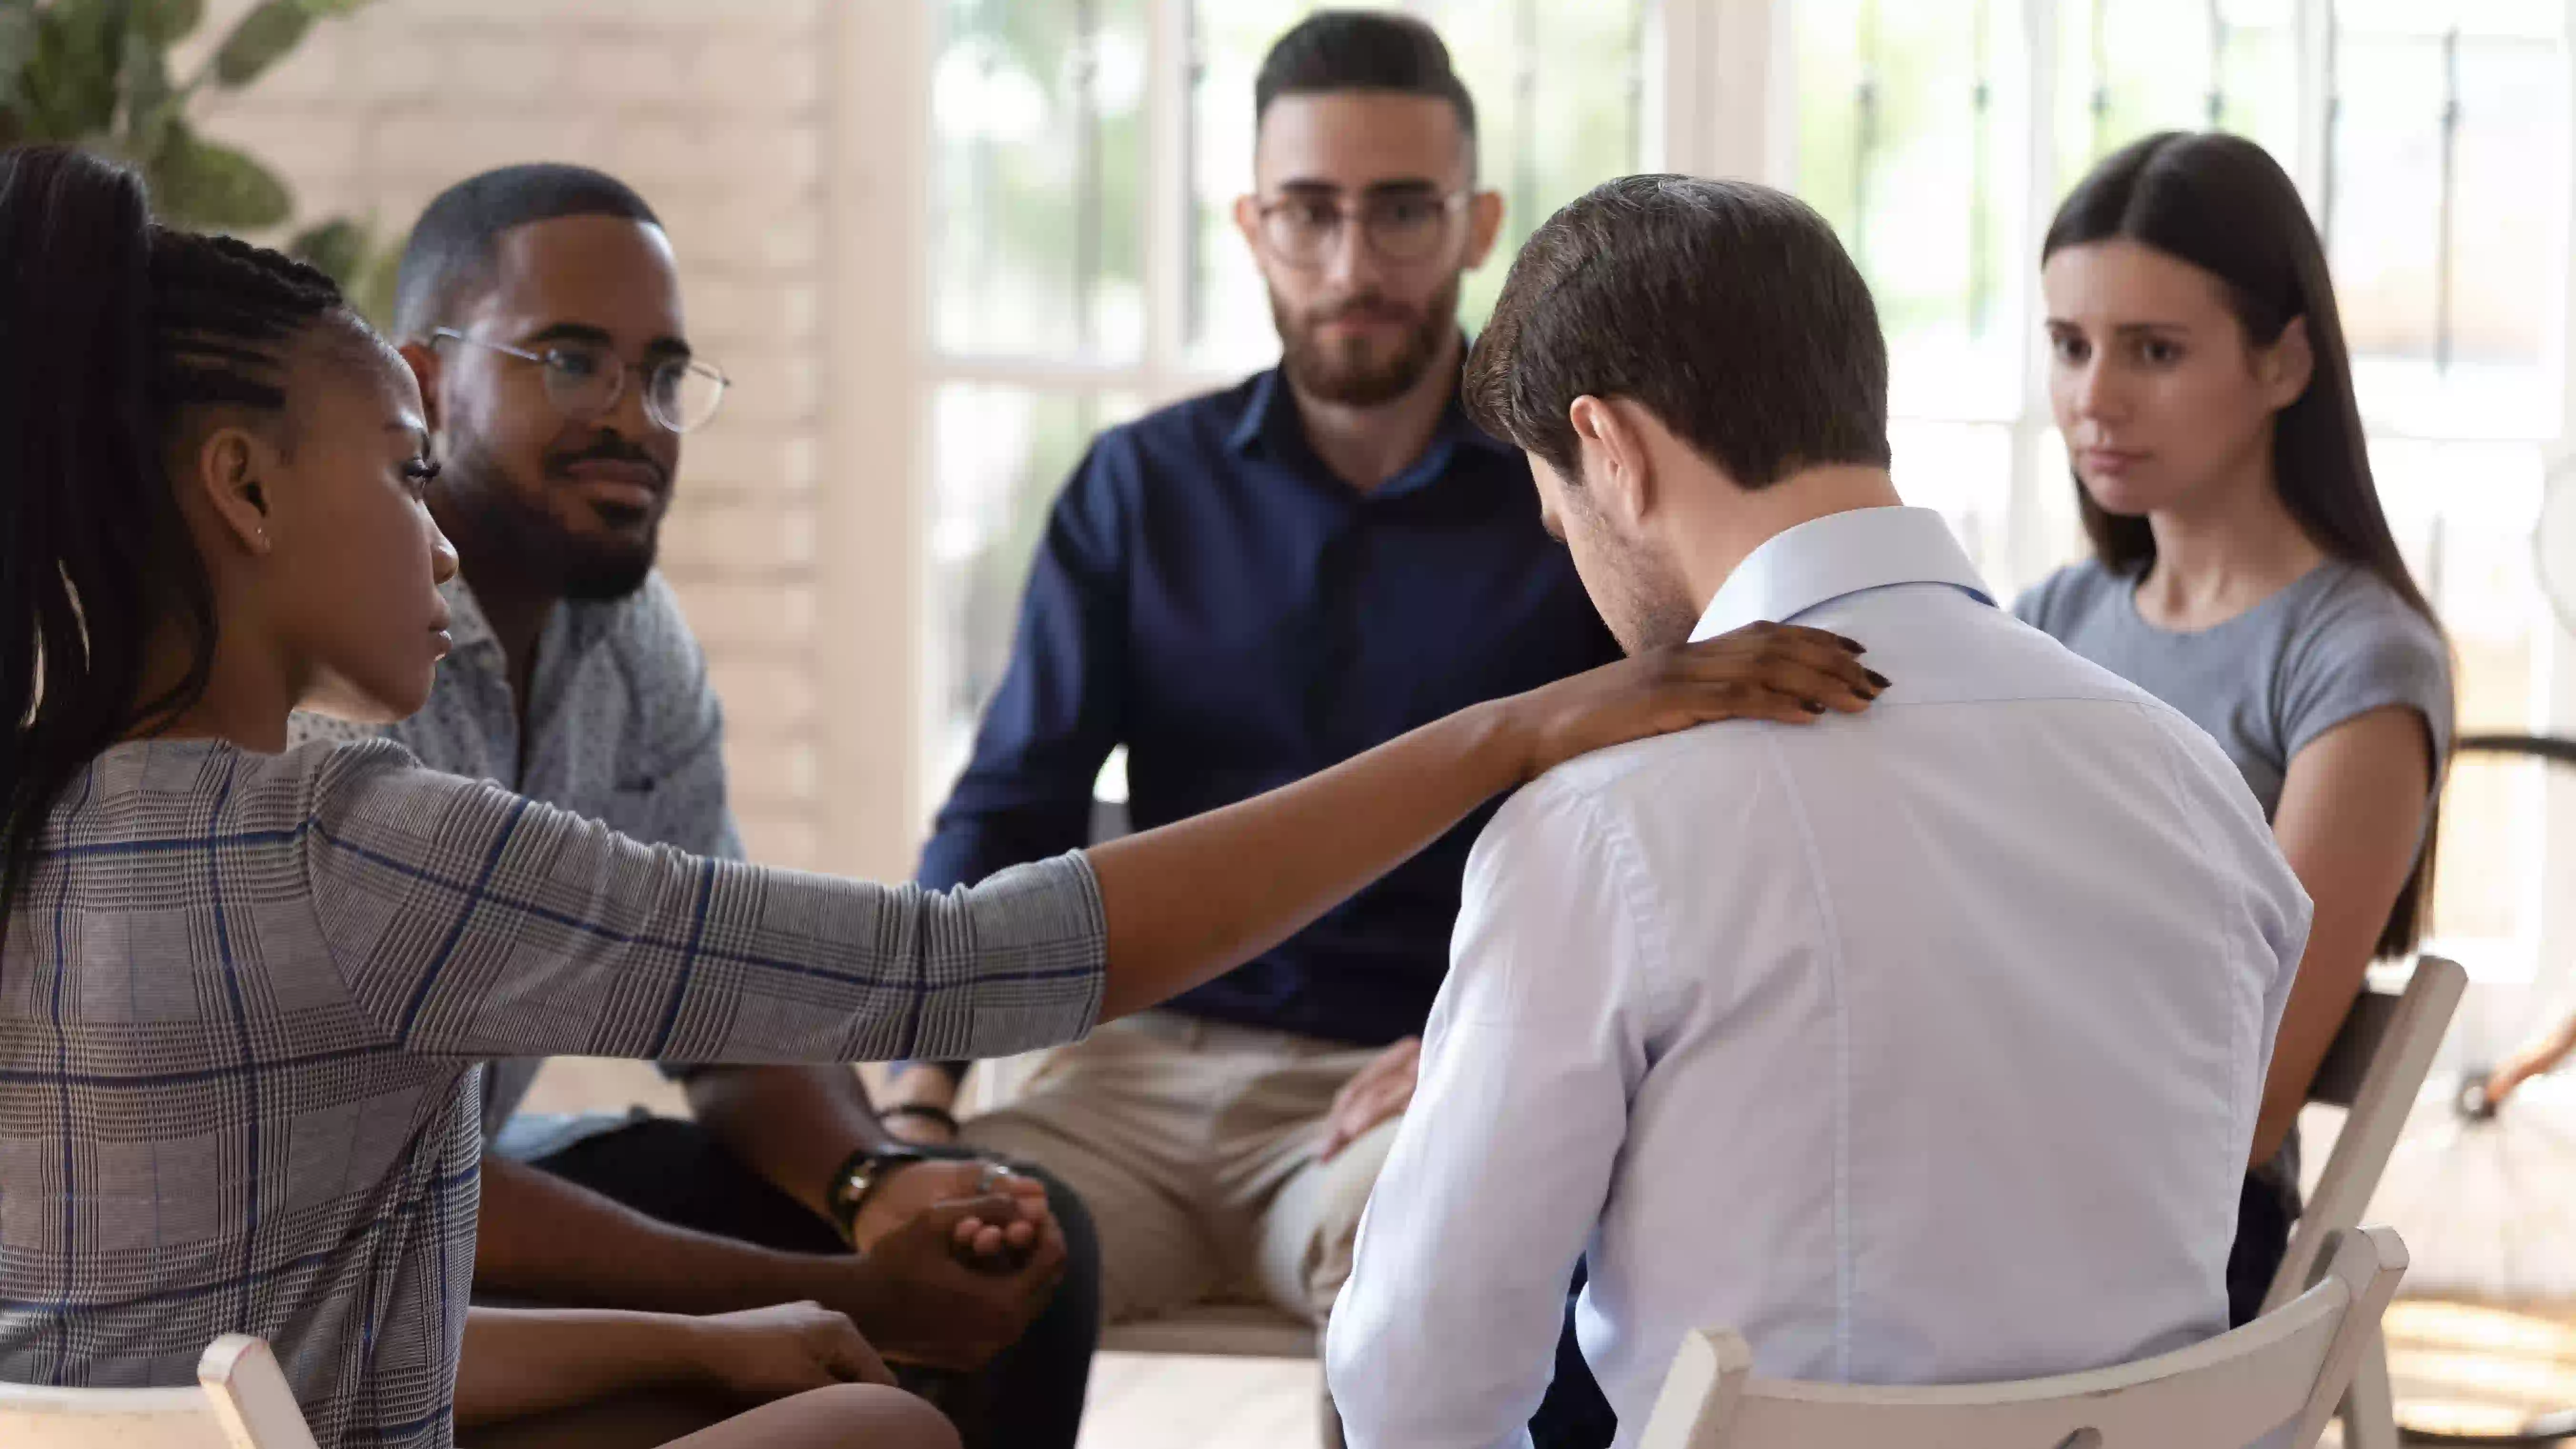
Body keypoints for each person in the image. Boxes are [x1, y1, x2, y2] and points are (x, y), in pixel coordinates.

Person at [0, 144, 1881, 1449]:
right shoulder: (354, 842)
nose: (422, 529)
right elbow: (972, 960)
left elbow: (264, 1356)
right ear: (242, 491)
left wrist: (738, 1310)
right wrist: (1515, 730)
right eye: (396, 471)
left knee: (855, 1384)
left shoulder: (53, 808)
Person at [1324, 174, 2314, 1449]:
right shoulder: (2194, 788)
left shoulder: (1602, 825)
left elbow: (1417, 1381)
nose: (1563, 543)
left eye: (1554, 500)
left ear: (1611, 453)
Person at [285, 163, 1097, 1449]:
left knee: (1019, 1261)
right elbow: (379, 1185)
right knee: (859, 1371)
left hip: (481, 1191)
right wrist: (832, 1289)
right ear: (424, 384)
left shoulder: (630, 638)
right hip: (336, 1272)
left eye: (661, 374)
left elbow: (717, 1005)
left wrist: (873, 1182)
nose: (633, 416)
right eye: (569, 360)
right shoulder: (326, 675)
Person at [882, 11, 1627, 1380]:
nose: (1356, 265)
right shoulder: (1139, 487)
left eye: (1404, 213)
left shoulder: (1576, 497)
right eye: (1311, 213)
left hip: (1406, 1082)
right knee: (920, 1275)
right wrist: (918, 1105)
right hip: (1132, 1081)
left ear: (1478, 225)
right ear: (1251, 223)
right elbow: (1011, 802)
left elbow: (1678, 812)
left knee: (1457, 1294)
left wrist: (1497, 1046)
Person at [2015, 131, 2455, 1327]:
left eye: (2153, 352)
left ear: (2283, 362)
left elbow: (2247, 1104)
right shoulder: (2051, 618)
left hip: (2174, 1237)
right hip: (1999, 1166)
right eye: (2068, 347)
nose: (2092, 399)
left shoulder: (2354, 662)